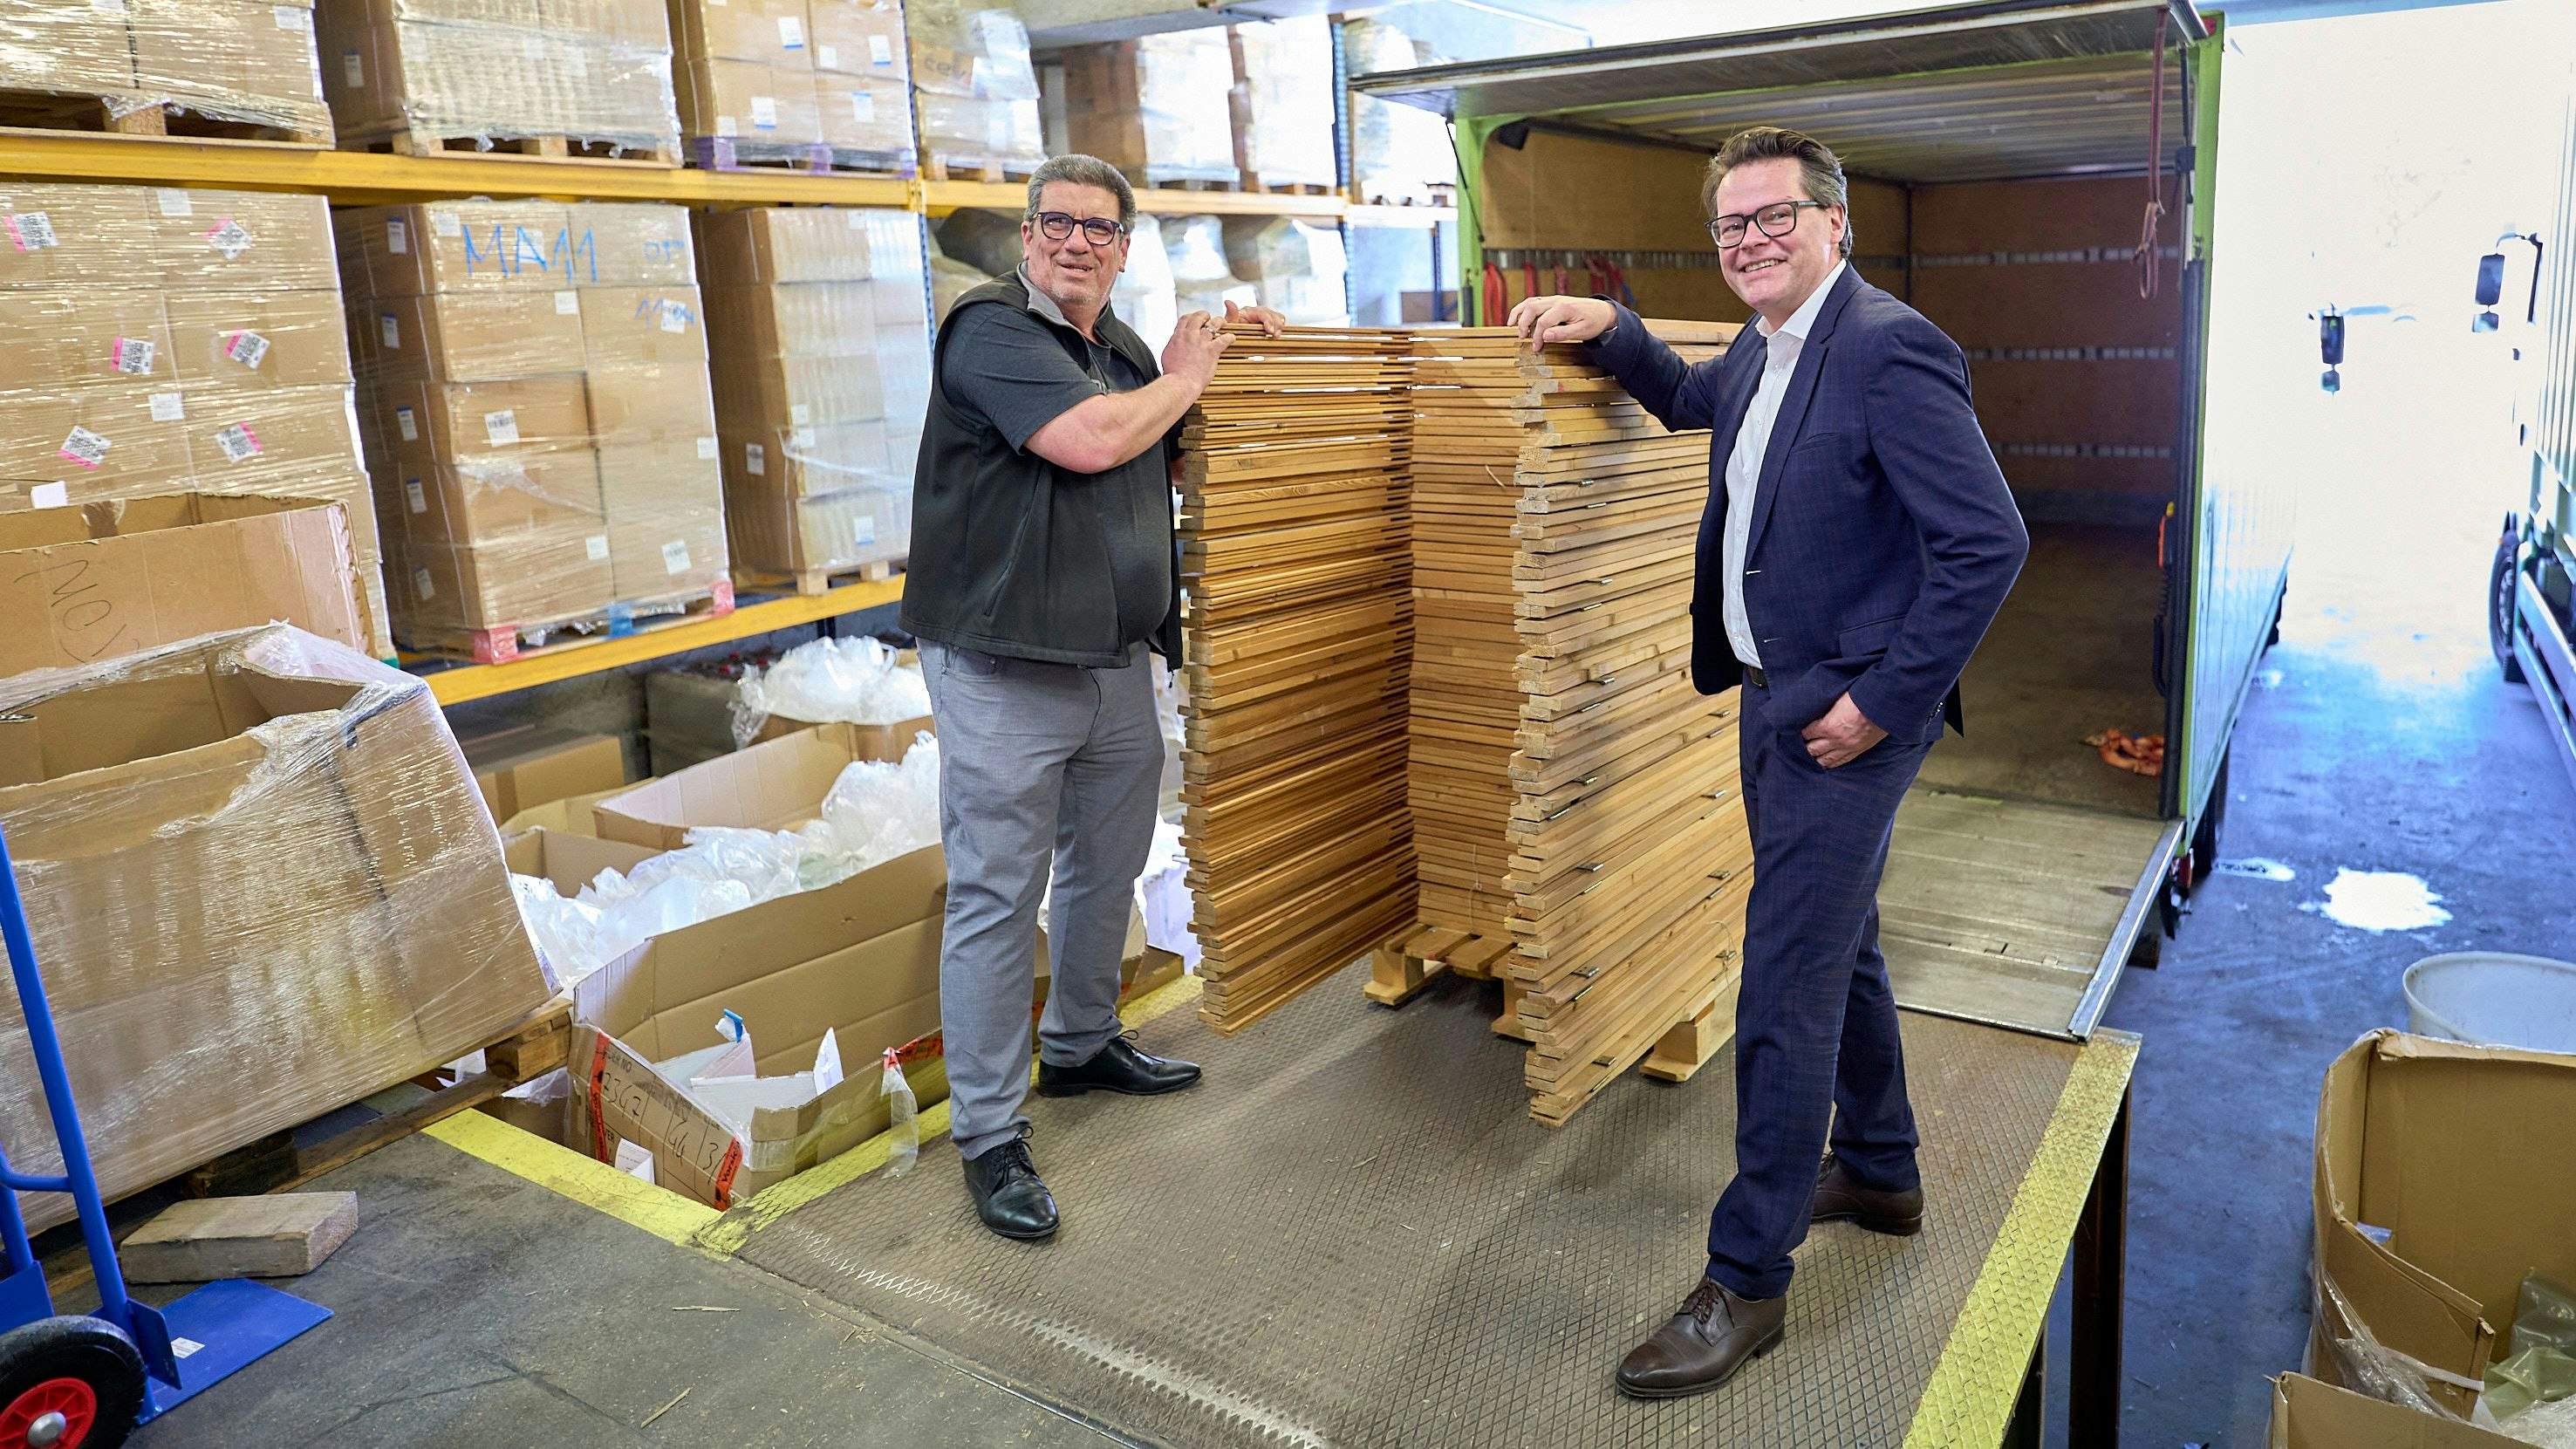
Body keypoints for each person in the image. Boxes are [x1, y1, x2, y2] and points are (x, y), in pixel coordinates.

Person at [1510, 126, 2029, 1398]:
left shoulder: (1888, 349)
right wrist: (1611, 326)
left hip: (1842, 723)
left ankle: (1747, 1279)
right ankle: (1887, 1170)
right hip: (1771, 697)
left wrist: (1877, 702)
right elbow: (1696, 404)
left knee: (1781, 987)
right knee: (1838, 946)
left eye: (1773, 218)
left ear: (1831, 223)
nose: (1749, 241)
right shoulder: (1760, 348)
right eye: (1731, 225)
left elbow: (1987, 543)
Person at [899, 154, 1286, 1242]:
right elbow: (1090, 443)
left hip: (1115, 658)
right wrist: (1185, 376)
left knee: (1106, 866)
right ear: (1027, 238)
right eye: (1057, 224)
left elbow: (1150, 458)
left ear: (1123, 248)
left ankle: (1077, 1043)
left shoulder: (1114, 348)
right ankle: (986, 1129)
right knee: (995, 890)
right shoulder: (991, 334)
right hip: (1004, 665)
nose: (1077, 243)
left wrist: (1236, 369)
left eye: (1100, 229)